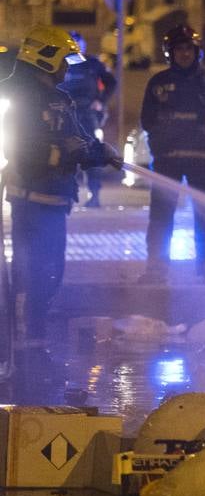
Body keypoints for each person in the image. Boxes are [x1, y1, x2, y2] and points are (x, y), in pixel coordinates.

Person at [0, 25, 120, 343]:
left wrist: (99, 152)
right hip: (31, 200)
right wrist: (60, 154)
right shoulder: (17, 96)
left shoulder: (61, 99)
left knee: (51, 275)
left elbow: (77, 140)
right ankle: (25, 348)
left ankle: (35, 343)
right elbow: (18, 149)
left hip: (56, 202)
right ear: (45, 57)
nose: (67, 68)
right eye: (64, 60)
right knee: (31, 277)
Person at [140, 25, 205, 285]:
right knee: (161, 214)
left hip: (202, 159)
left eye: (188, 48)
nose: (184, 54)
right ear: (170, 52)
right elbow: (147, 119)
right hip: (167, 159)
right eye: (179, 49)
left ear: (197, 51)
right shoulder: (158, 84)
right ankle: (156, 266)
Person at [58, 32, 117, 208]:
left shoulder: (92, 64)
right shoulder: (61, 64)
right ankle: (66, 194)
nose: (75, 47)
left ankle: (94, 194)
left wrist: (101, 101)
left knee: (93, 153)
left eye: (78, 43)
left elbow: (111, 82)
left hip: (88, 115)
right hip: (65, 114)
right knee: (65, 154)